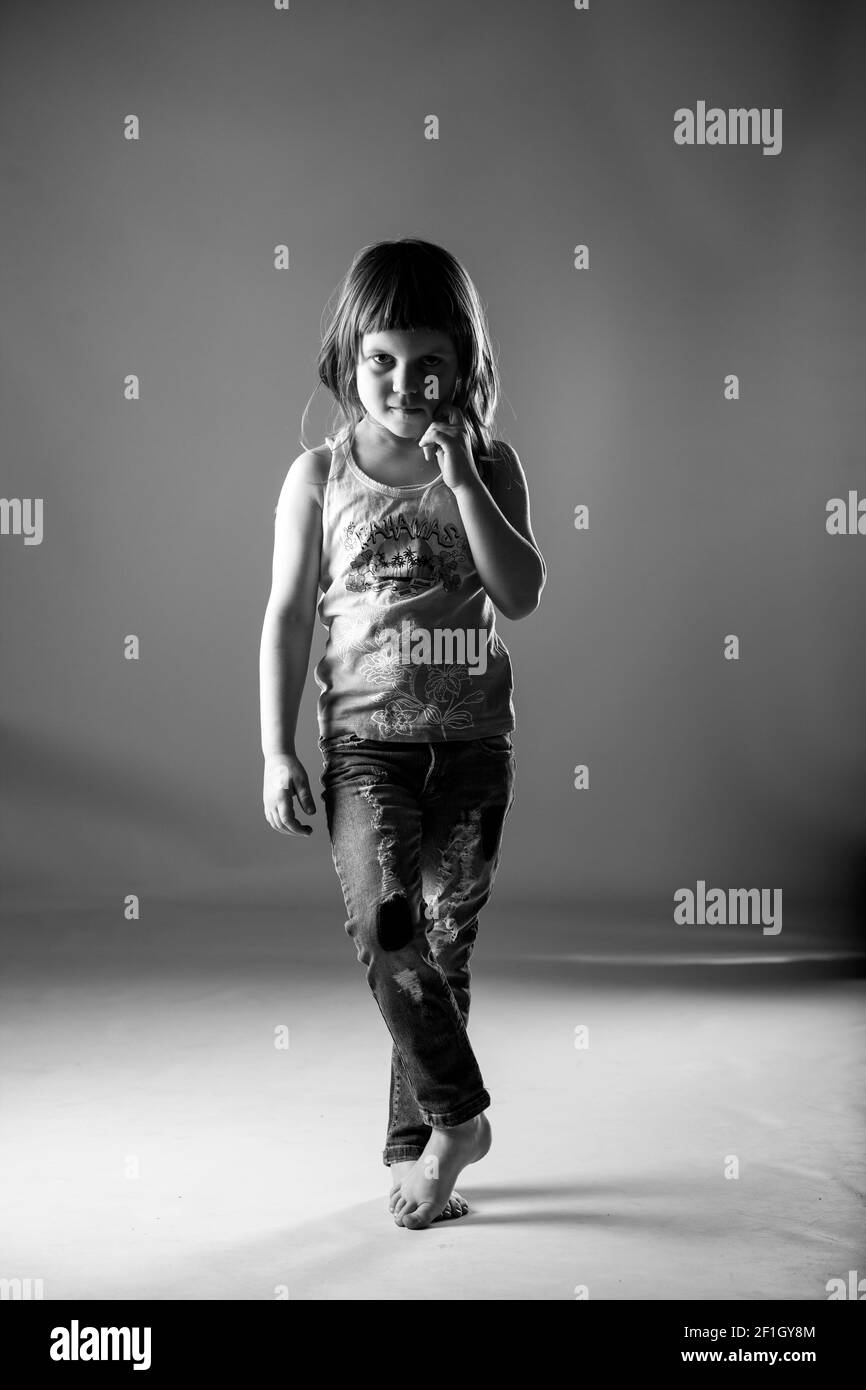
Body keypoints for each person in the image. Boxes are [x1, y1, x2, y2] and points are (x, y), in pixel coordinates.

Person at [259, 238, 546, 1230]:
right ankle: (459, 1118)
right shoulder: (317, 476)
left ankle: (419, 1149)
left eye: (430, 362)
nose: (404, 381)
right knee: (389, 926)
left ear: (463, 364)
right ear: (349, 356)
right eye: (382, 358)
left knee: (440, 951)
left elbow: (522, 592)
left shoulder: (489, 465)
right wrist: (274, 747)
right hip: (363, 748)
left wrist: (464, 479)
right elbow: (287, 615)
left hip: (469, 751)